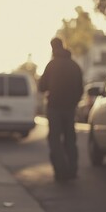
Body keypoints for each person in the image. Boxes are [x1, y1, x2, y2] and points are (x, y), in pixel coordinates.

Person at [38, 37, 83, 182]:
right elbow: (81, 89)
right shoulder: (74, 66)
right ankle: (72, 169)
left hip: (54, 108)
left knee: (55, 140)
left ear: (52, 48)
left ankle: (61, 170)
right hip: (70, 109)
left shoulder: (51, 65)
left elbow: (42, 87)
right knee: (70, 139)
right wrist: (73, 102)